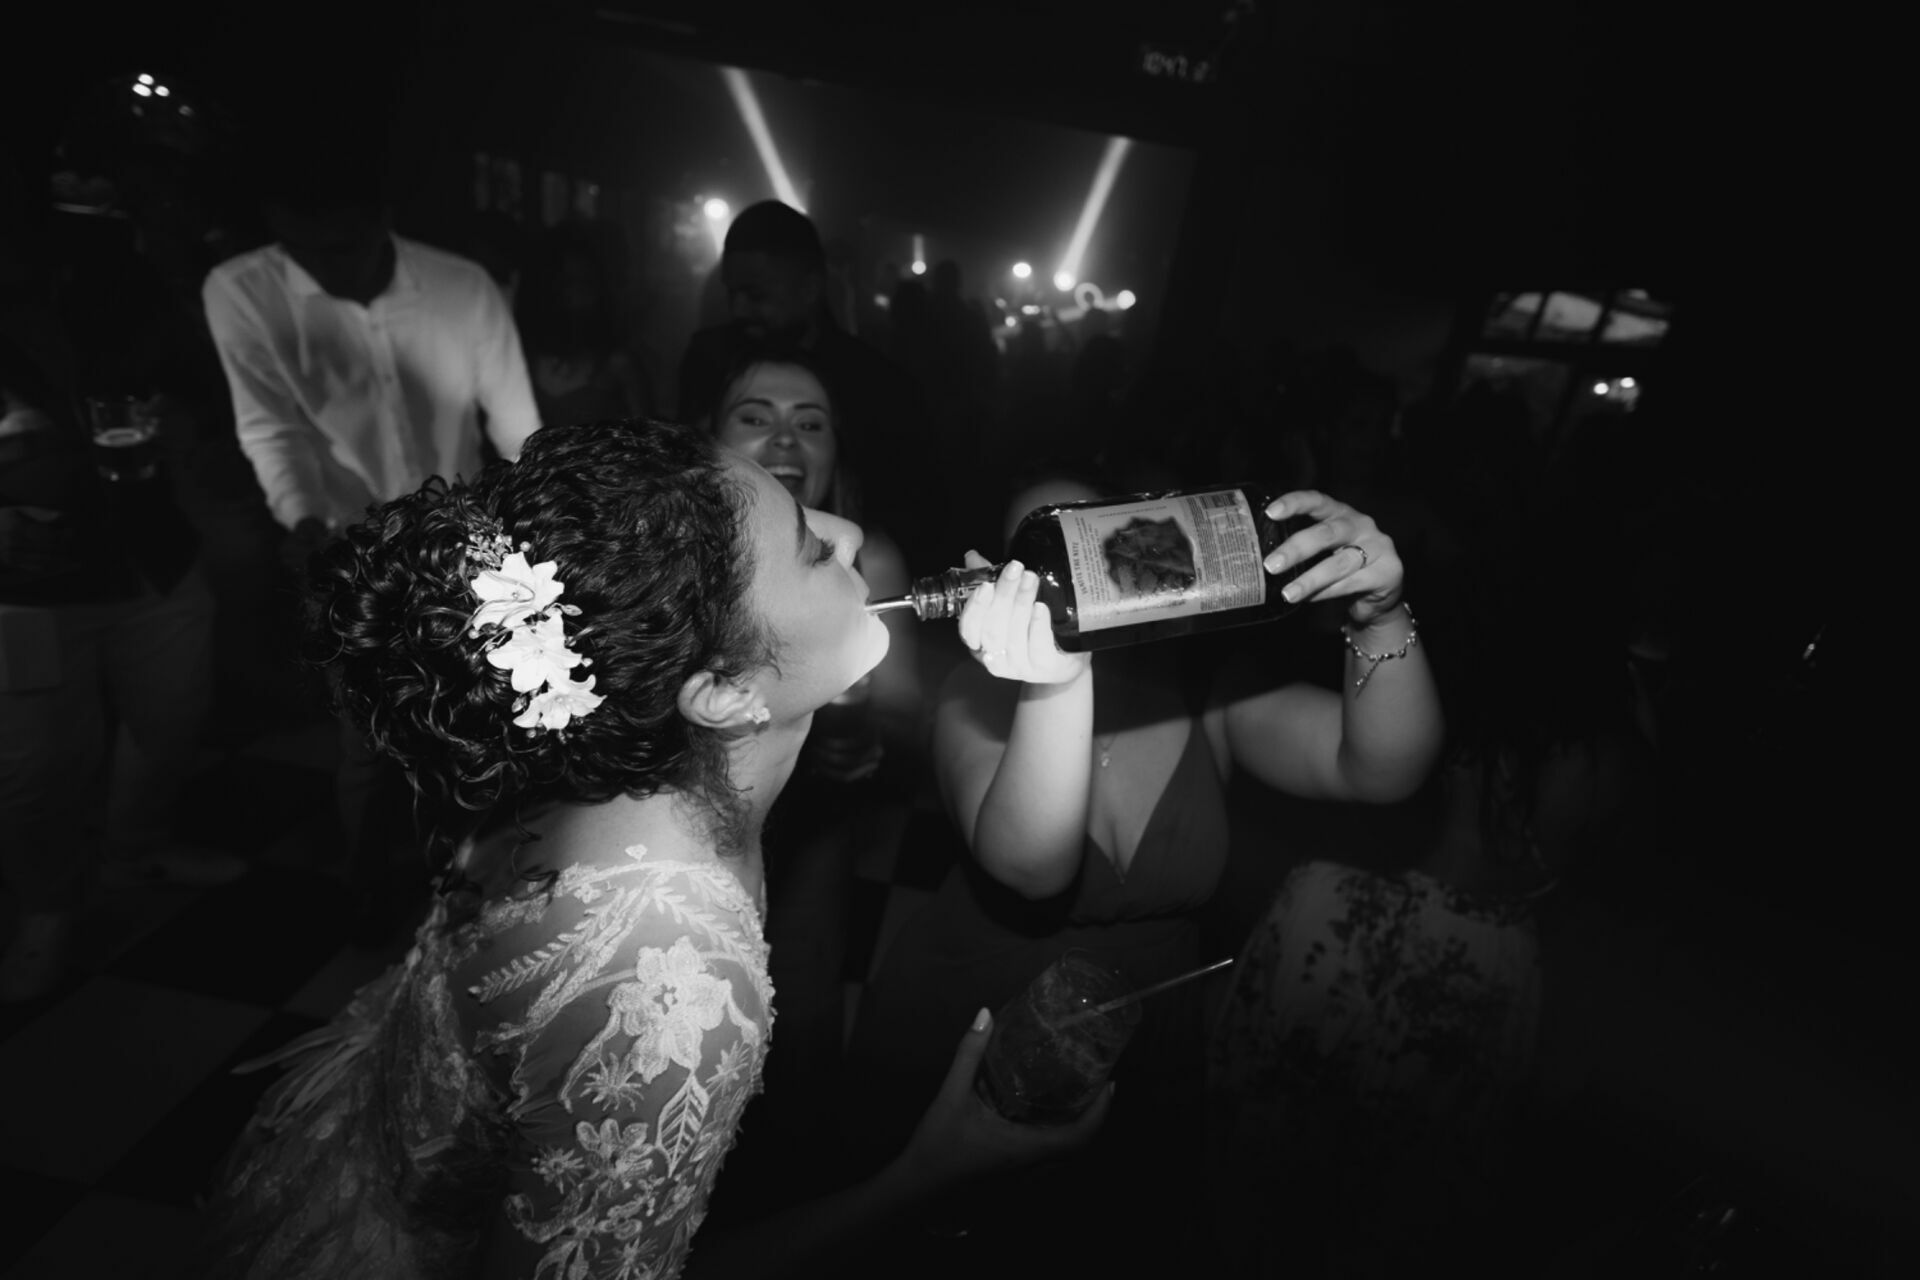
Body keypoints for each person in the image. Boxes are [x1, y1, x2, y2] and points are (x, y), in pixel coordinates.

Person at [195, 418, 1105, 1279]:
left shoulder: (584, 736)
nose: (850, 532)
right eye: (810, 549)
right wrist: (926, 1174)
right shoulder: (672, 991)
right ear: (722, 693)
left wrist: (1057, 683)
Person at [842, 471, 1444, 1275]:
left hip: (1142, 1048)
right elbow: (1030, 870)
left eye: (1081, 535)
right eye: (1037, 547)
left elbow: (1382, 771)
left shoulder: (1205, 692)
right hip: (979, 1028)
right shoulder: (975, 697)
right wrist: (1053, 679)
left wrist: (1381, 613)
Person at [202, 122, 541, 936]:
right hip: (347, 556)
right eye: (308, 248)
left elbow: (520, 436)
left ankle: (473, 899)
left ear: (383, 215)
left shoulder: (462, 287)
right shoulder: (241, 290)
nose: (333, 265)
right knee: (368, 741)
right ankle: (369, 892)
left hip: (465, 554)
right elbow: (272, 427)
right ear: (276, 223)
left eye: (348, 244)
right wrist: (303, 520)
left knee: (479, 727)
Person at [700, 346, 925, 1207]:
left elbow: (903, 708)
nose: (786, 438)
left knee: (795, 1030)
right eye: (755, 416)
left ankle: (789, 1205)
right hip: (675, 837)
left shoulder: (869, 561)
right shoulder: (672, 552)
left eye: (811, 422)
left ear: (836, 452)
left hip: (807, 837)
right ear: (710, 438)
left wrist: (858, 729)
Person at [675, 201, 939, 571]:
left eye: (756, 295)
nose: (739, 309)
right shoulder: (708, 360)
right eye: (754, 418)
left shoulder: (877, 384)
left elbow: (911, 506)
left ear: (810, 288)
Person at [516, 221, 649, 428]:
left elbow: (649, 438)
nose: (573, 295)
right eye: (565, 283)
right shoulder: (524, 359)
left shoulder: (618, 364)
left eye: (584, 282)